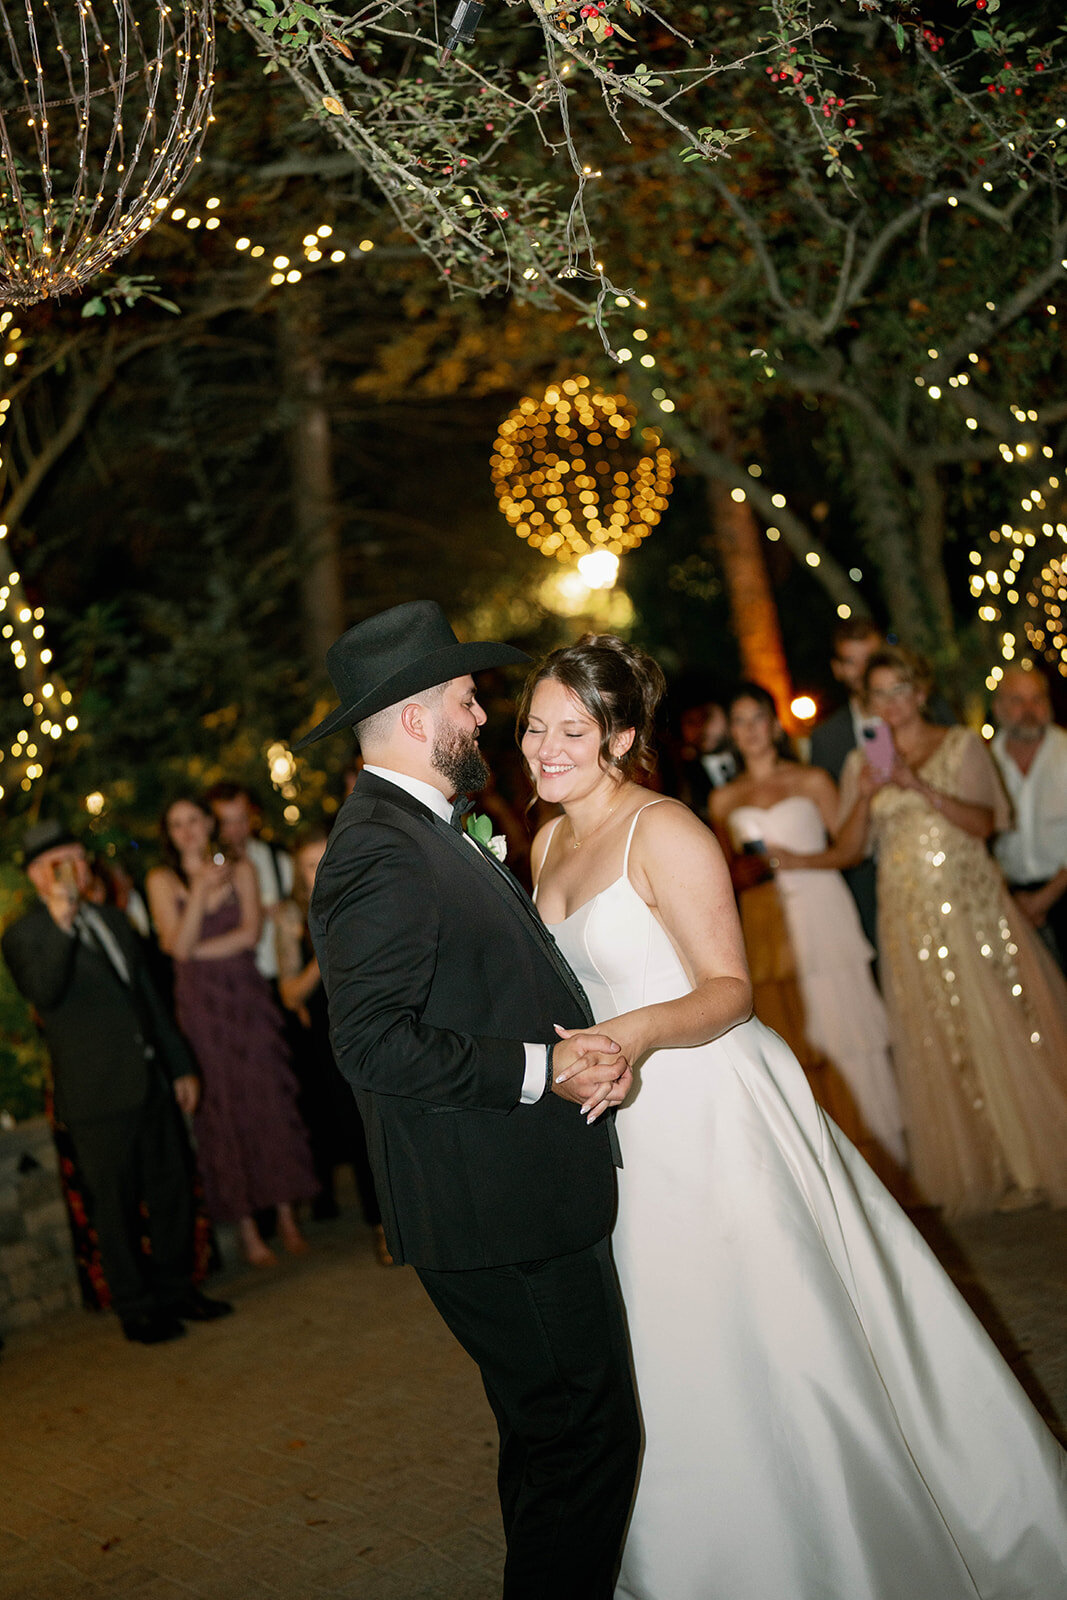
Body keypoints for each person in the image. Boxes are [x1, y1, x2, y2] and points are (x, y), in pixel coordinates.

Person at [521, 634, 1067, 1600]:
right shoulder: (547, 839)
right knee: (664, 1338)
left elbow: (729, 990)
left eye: (572, 729)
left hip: (708, 1098)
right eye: (533, 727)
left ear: (624, 735)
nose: (544, 748)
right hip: (622, 1119)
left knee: (773, 1328)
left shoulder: (667, 831)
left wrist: (635, 1034)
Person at [296, 600, 640, 1600]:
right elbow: (370, 1042)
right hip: (492, 1206)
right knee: (585, 1434)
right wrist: (544, 1068)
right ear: (413, 717)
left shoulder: (427, 828)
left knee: (550, 1437)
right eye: (463, 697)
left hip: (506, 1196)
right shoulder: (376, 847)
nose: (481, 714)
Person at [816, 646, 1067, 1218]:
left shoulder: (960, 745)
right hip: (906, 918)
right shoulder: (862, 763)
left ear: (921, 692)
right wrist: (870, 794)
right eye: (881, 693)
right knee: (937, 1036)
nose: (894, 703)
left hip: (971, 909)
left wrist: (917, 784)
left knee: (999, 1025)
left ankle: (1031, 1163)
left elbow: (985, 823)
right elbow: (850, 848)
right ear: (868, 702)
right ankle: (984, 1169)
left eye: (902, 689)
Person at [2, 820, 232, 1344]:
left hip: (150, 1080)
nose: (76, 870)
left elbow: (147, 998)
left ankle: (179, 1291)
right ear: (39, 875)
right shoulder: (24, 935)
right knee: (116, 1205)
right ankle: (135, 1307)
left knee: (171, 1188)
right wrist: (61, 920)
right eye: (62, 863)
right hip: (97, 1096)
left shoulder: (112, 918)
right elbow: (44, 992)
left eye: (79, 858)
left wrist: (179, 1065)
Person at [710, 683, 906, 1180]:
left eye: (759, 718)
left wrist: (799, 859)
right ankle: (825, 1172)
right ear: (731, 733)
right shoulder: (723, 799)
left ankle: (888, 1166)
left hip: (822, 907)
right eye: (740, 721)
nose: (751, 730)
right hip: (764, 922)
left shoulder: (812, 779)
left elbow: (850, 850)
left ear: (775, 725)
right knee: (796, 1040)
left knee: (849, 1033)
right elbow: (721, 873)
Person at [146, 797, 317, 1267]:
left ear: (209, 823)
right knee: (222, 1111)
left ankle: (286, 1217)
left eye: (194, 820)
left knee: (268, 1100)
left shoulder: (242, 867)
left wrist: (192, 945)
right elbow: (174, 948)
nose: (187, 831)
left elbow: (247, 935)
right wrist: (199, 890)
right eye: (176, 824)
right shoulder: (162, 880)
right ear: (169, 832)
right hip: (201, 1009)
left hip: (246, 998)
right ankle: (247, 1231)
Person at [275, 824, 390, 1259]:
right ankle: (380, 1225)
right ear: (297, 873)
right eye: (310, 865)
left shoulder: (365, 892)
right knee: (358, 1128)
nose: (321, 870)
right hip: (334, 1032)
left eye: (327, 858)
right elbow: (288, 993)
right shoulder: (291, 917)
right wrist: (331, 949)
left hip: (380, 1019)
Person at [991, 664, 1067, 971]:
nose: (1029, 710)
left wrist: (1044, 900)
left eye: (1037, 699)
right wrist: (1016, 904)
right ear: (998, 708)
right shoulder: (985, 760)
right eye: (1017, 700)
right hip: (1011, 900)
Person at [203, 782, 293, 986]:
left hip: (280, 976)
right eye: (226, 822)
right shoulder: (204, 871)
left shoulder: (279, 861)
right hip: (231, 982)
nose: (235, 830)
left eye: (242, 819)